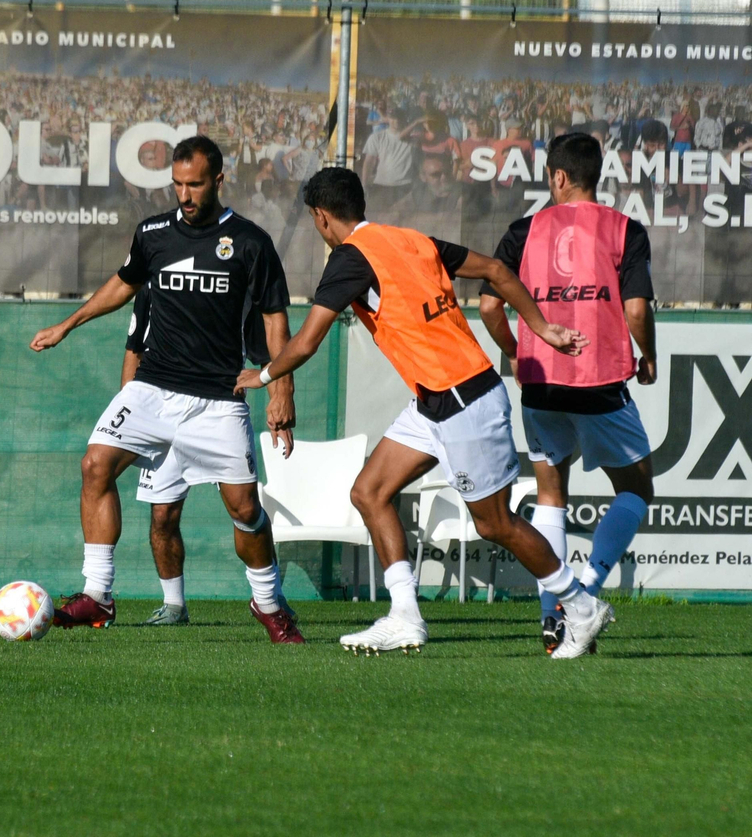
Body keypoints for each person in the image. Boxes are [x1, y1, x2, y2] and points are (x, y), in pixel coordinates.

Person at [235, 167, 615, 659]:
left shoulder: (350, 258)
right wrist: (543, 329)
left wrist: (262, 377)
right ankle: (405, 616)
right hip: (435, 401)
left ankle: (580, 605)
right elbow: (497, 272)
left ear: (320, 216)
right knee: (368, 492)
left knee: (495, 523)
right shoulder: (412, 240)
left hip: (464, 401)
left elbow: (307, 341)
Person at [30, 136, 303, 643]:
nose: (184, 194)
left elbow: (275, 323)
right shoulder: (153, 233)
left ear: (218, 180)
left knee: (245, 509)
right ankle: (98, 596)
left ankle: (269, 603)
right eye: (177, 184)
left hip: (217, 399)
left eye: (194, 184)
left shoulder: (250, 242)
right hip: (152, 387)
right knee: (94, 465)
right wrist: (69, 324)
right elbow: (122, 283)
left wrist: (280, 389)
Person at [478, 132, 656, 652]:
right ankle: (587, 594)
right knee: (637, 488)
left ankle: (553, 617)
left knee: (550, 494)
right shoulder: (625, 229)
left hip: (540, 384)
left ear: (557, 176)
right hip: (599, 382)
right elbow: (638, 310)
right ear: (594, 175)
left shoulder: (523, 230)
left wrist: (515, 351)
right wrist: (648, 357)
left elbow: (489, 307)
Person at [120, 288, 290, 626]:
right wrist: (132, 409)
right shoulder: (153, 284)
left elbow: (266, 355)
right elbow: (134, 350)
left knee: (245, 509)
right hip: (162, 411)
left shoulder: (235, 286)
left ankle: (272, 599)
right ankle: (173, 606)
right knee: (163, 514)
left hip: (219, 412)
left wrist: (279, 407)